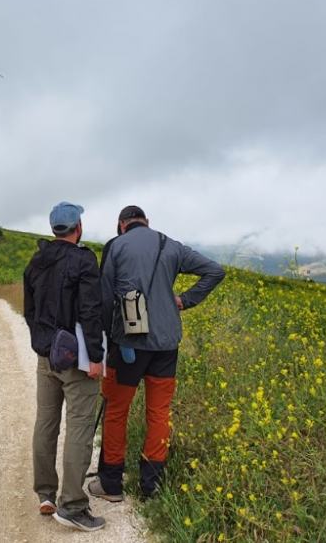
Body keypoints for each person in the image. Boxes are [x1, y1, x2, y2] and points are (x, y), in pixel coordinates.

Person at [89, 205, 225, 501]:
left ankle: (111, 483)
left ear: (121, 225)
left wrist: (104, 340)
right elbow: (215, 271)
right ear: (147, 222)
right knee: (159, 413)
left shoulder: (116, 247)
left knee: (116, 410)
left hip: (128, 345)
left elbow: (104, 297)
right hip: (166, 345)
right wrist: (185, 300)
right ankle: (152, 486)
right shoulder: (171, 245)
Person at [23, 201, 107, 532]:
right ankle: (72, 504)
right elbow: (90, 311)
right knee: (80, 426)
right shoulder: (84, 260)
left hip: (46, 356)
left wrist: (43, 343)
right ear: (78, 228)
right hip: (76, 357)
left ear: (54, 228)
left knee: (46, 422)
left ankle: (46, 493)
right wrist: (97, 357)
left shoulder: (36, 261)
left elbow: (29, 311)